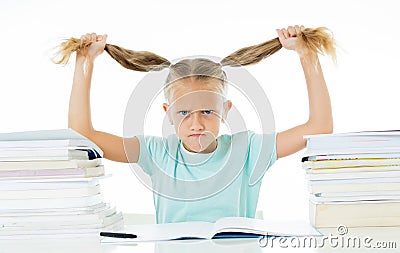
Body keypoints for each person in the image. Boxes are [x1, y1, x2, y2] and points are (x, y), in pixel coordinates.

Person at [64, 25, 334, 223]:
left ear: (225, 111)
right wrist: (84, 61)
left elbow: (319, 127)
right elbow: (83, 134)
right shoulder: (157, 153)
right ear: (168, 113)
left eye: (207, 111)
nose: (196, 124)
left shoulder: (249, 150)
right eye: (184, 113)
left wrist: (306, 54)